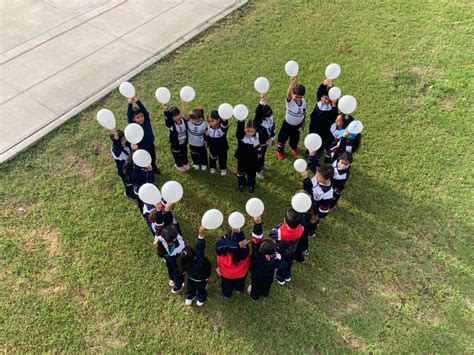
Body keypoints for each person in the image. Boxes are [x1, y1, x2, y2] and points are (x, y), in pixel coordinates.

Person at [248, 215, 286, 301]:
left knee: (256, 286)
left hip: (256, 275)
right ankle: (265, 293)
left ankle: (254, 296)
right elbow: (283, 264)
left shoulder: (256, 252)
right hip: (268, 276)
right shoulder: (276, 257)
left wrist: (258, 223)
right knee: (267, 285)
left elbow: (256, 237)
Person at [177, 226, 212, 306]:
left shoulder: (183, 262)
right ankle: (200, 299)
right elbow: (200, 249)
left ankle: (189, 297)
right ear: (194, 256)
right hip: (200, 280)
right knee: (201, 290)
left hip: (190, 278)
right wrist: (201, 236)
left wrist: (200, 236)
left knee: (190, 288)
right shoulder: (199, 262)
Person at [270, 207, 304, 285]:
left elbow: (272, 233)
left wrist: (280, 226)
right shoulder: (301, 228)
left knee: (281, 264)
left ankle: (280, 278)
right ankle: (287, 276)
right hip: (292, 250)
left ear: (285, 220)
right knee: (289, 263)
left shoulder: (280, 233)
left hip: (282, 251)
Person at [126, 97, 160, 174]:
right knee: (146, 160)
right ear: (134, 119)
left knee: (153, 158)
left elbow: (144, 111)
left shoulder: (146, 121)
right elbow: (129, 115)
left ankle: (154, 168)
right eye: (138, 117)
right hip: (142, 147)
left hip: (150, 144)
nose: (141, 118)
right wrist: (130, 104)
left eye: (142, 116)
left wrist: (138, 101)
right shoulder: (134, 126)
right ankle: (149, 172)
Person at [215, 227, 250, 299]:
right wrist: (239, 235)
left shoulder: (222, 254)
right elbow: (244, 244)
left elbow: (219, 244)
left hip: (226, 275)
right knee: (240, 283)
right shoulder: (244, 253)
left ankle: (227, 295)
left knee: (226, 286)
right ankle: (239, 290)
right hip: (241, 274)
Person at [276, 76, 306, 160]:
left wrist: (303, 122)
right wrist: (292, 83)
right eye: (296, 96)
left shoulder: (303, 102)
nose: (298, 99)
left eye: (300, 97)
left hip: (297, 125)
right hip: (287, 124)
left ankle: (294, 147)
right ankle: (280, 151)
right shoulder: (290, 101)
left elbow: (304, 112)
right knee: (282, 138)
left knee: (295, 138)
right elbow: (288, 94)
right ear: (293, 94)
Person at [301, 164, 334, 234]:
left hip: (314, 211)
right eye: (316, 173)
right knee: (306, 218)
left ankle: (311, 232)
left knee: (312, 222)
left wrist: (317, 217)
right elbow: (309, 188)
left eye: (319, 177)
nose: (316, 176)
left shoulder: (327, 193)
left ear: (327, 179)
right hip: (308, 204)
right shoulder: (318, 178)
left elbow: (324, 209)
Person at [309, 80, 338, 155]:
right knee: (311, 141)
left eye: (326, 99)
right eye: (323, 97)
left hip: (324, 131)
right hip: (313, 127)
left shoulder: (332, 109)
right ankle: (309, 152)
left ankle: (317, 153)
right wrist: (324, 83)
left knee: (320, 144)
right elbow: (319, 91)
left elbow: (334, 115)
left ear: (331, 100)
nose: (323, 100)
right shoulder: (319, 102)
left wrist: (334, 103)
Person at [157, 224, 186, 293]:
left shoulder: (161, 239)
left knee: (170, 268)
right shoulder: (178, 246)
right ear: (173, 239)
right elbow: (183, 246)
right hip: (175, 259)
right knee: (178, 272)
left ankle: (172, 279)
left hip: (167, 258)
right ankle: (177, 287)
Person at [235, 120, 261, 193]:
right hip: (242, 158)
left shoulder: (256, 136)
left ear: (255, 130)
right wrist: (241, 122)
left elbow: (258, 145)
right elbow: (239, 130)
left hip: (252, 159)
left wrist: (259, 152)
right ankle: (241, 184)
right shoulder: (241, 137)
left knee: (251, 173)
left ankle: (251, 185)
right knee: (240, 172)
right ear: (244, 129)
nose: (250, 133)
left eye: (252, 131)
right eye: (248, 131)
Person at [163, 104, 190, 172]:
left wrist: (185, 106)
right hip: (175, 144)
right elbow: (168, 119)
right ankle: (179, 164)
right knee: (177, 155)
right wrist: (166, 110)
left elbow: (188, 118)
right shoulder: (171, 125)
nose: (177, 117)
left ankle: (185, 162)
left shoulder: (183, 120)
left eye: (178, 115)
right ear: (171, 117)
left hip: (183, 142)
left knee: (184, 153)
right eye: (174, 116)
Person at [254, 93, 275, 180]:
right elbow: (258, 112)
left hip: (266, 141)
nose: (269, 117)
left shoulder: (270, 117)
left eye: (270, 115)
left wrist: (272, 138)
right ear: (262, 116)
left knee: (263, 154)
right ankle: (257, 170)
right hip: (259, 143)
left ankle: (261, 164)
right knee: (259, 156)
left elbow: (273, 126)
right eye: (267, 116)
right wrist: (261, 101)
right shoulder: (258, 121)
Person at [182, 103, 208, 171]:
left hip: (201, 144)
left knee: (203, 155)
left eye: (193, 120)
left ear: (199, 118)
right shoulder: (189, 122)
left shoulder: (204, 125)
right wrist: (184, 107)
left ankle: (204, 164)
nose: (191, 121)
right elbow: (185, 115)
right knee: (193, 154)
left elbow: (206, 134)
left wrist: (206, 141)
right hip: (192, 144)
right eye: (191, 119)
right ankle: (196, 163)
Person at [109, 128, 133, 198]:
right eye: (121, 140)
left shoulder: (127, 143)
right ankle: (129, 194)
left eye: (124, 139)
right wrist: (116, 139)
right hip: (124, 170)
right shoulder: (115, 150)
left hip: (131, 165)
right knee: (128, 183)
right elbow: (117, 147)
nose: (124, 141)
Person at [205, 110, 229, 176]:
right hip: (213, 147)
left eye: (212, 121)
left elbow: (224, 124)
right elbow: (206, 137)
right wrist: (206, 138)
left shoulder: (222, 128)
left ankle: (223, 168)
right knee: (212, 157)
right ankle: (212, 167)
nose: (210, 123)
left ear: (218, 120)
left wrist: (224, 117)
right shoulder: (208, 128)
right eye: (209, 121)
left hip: (222, 148)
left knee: (222, 159)